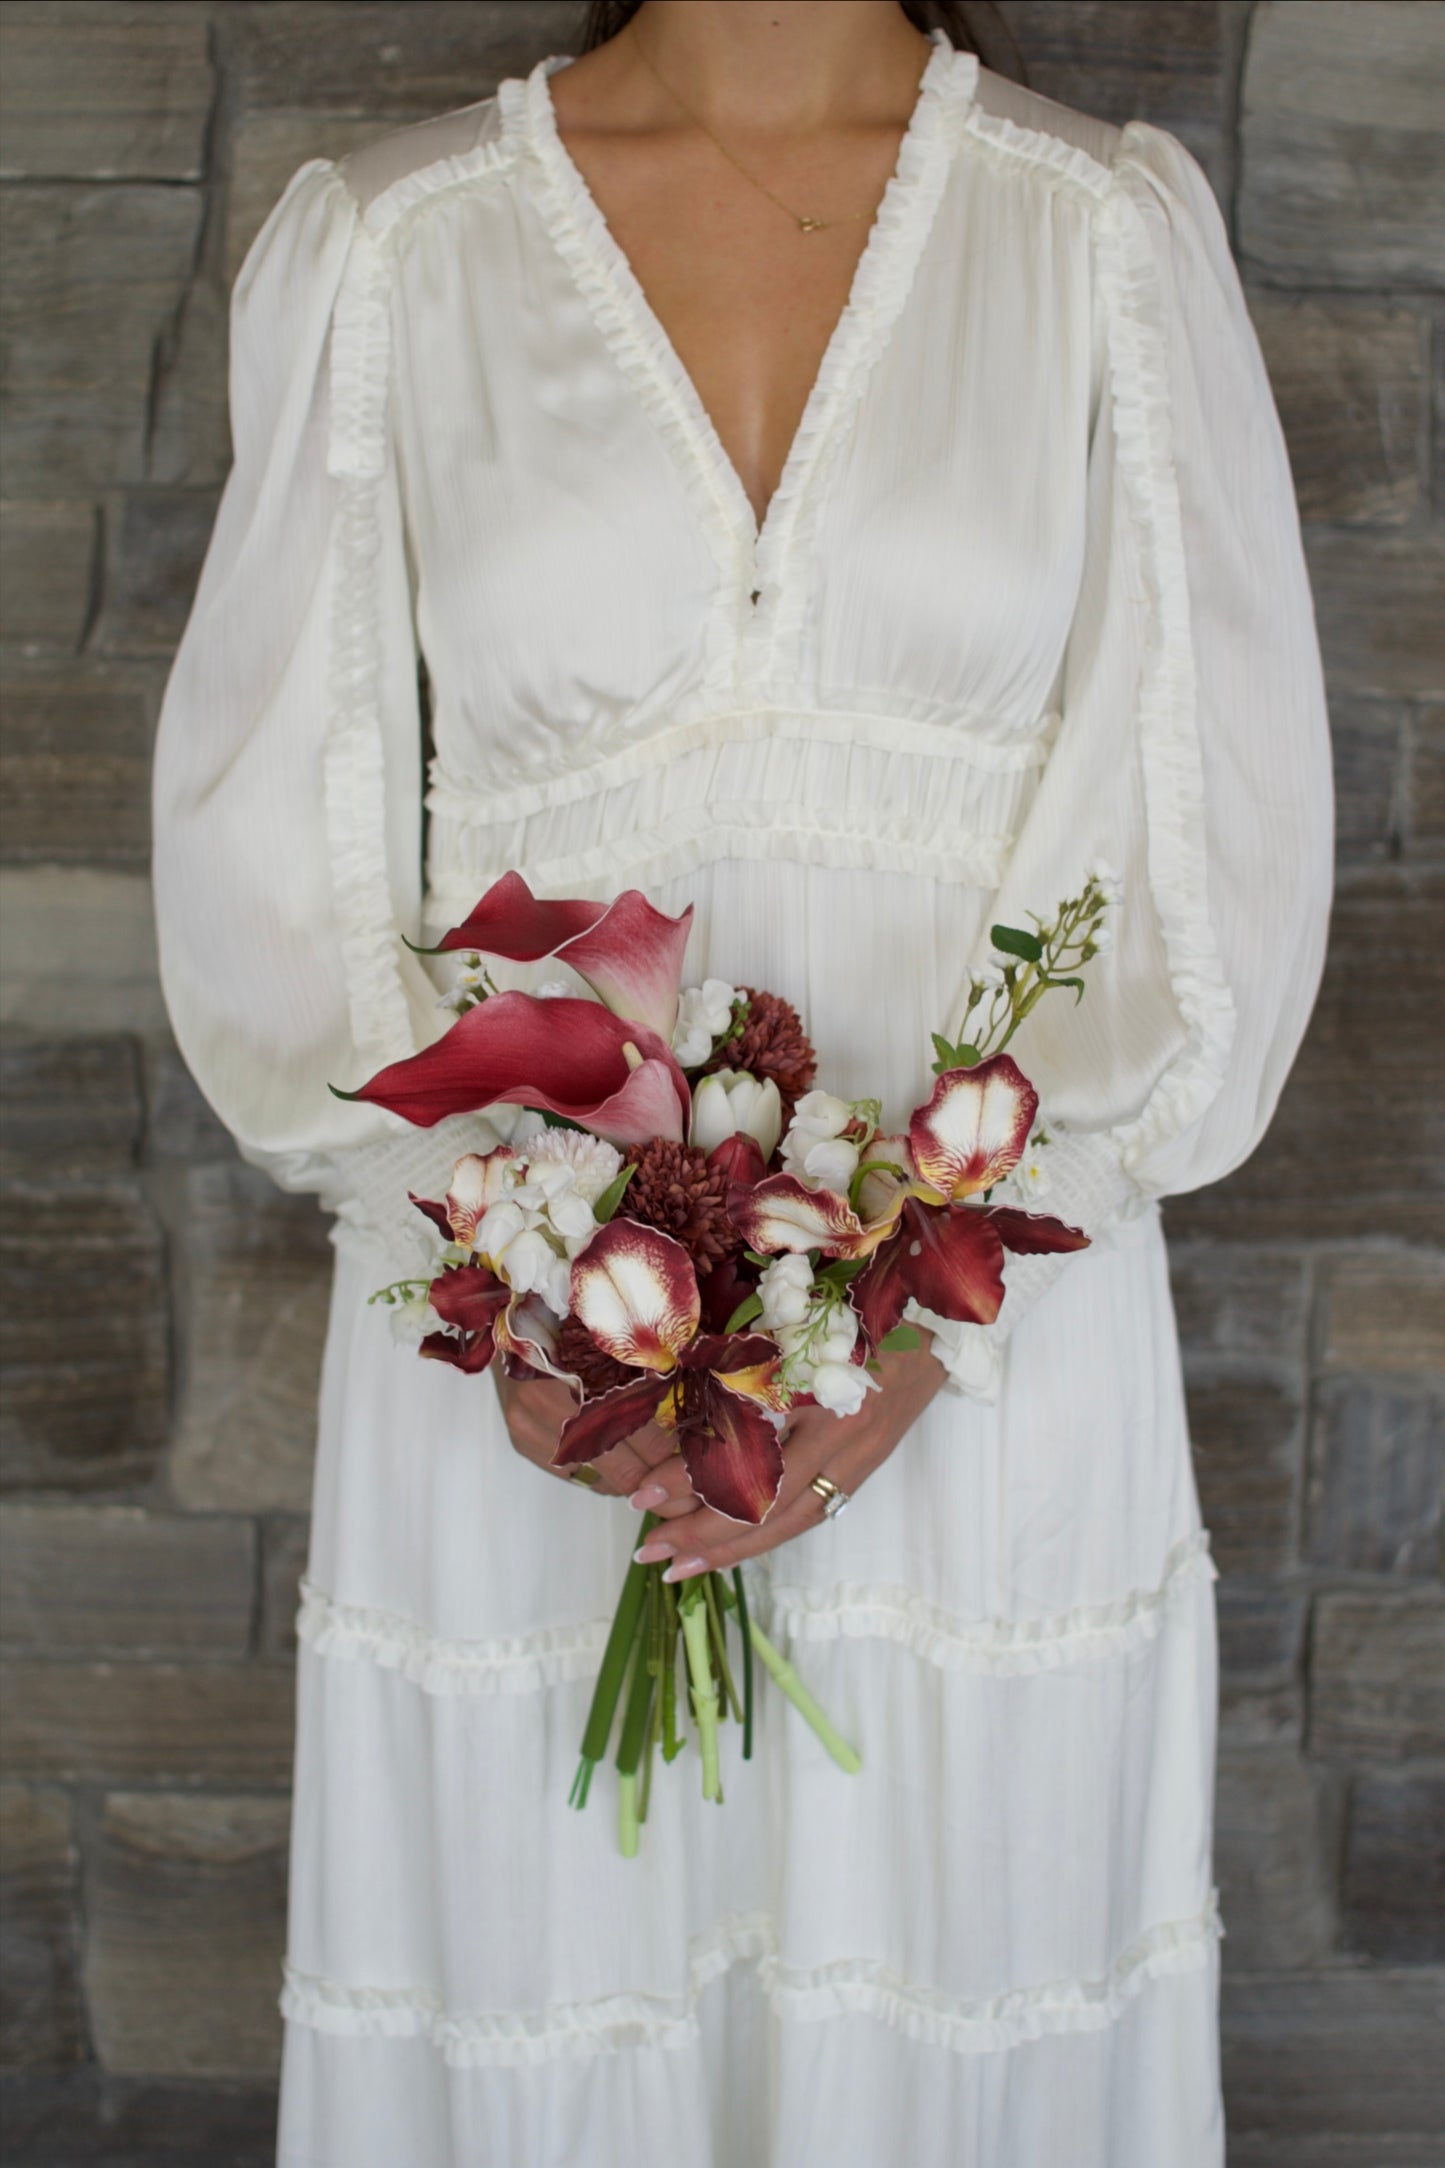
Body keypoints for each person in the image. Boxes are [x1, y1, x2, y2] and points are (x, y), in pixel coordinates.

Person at [150, 2, 1333, 2161]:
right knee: (553, 2003)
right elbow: (287, 854)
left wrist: (916, 1338)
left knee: (959, 2005)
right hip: (527, 1402)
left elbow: (1202, 851)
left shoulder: (1099, 241)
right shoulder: (397, 253)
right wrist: (522, 1299)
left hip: (993, 1368)